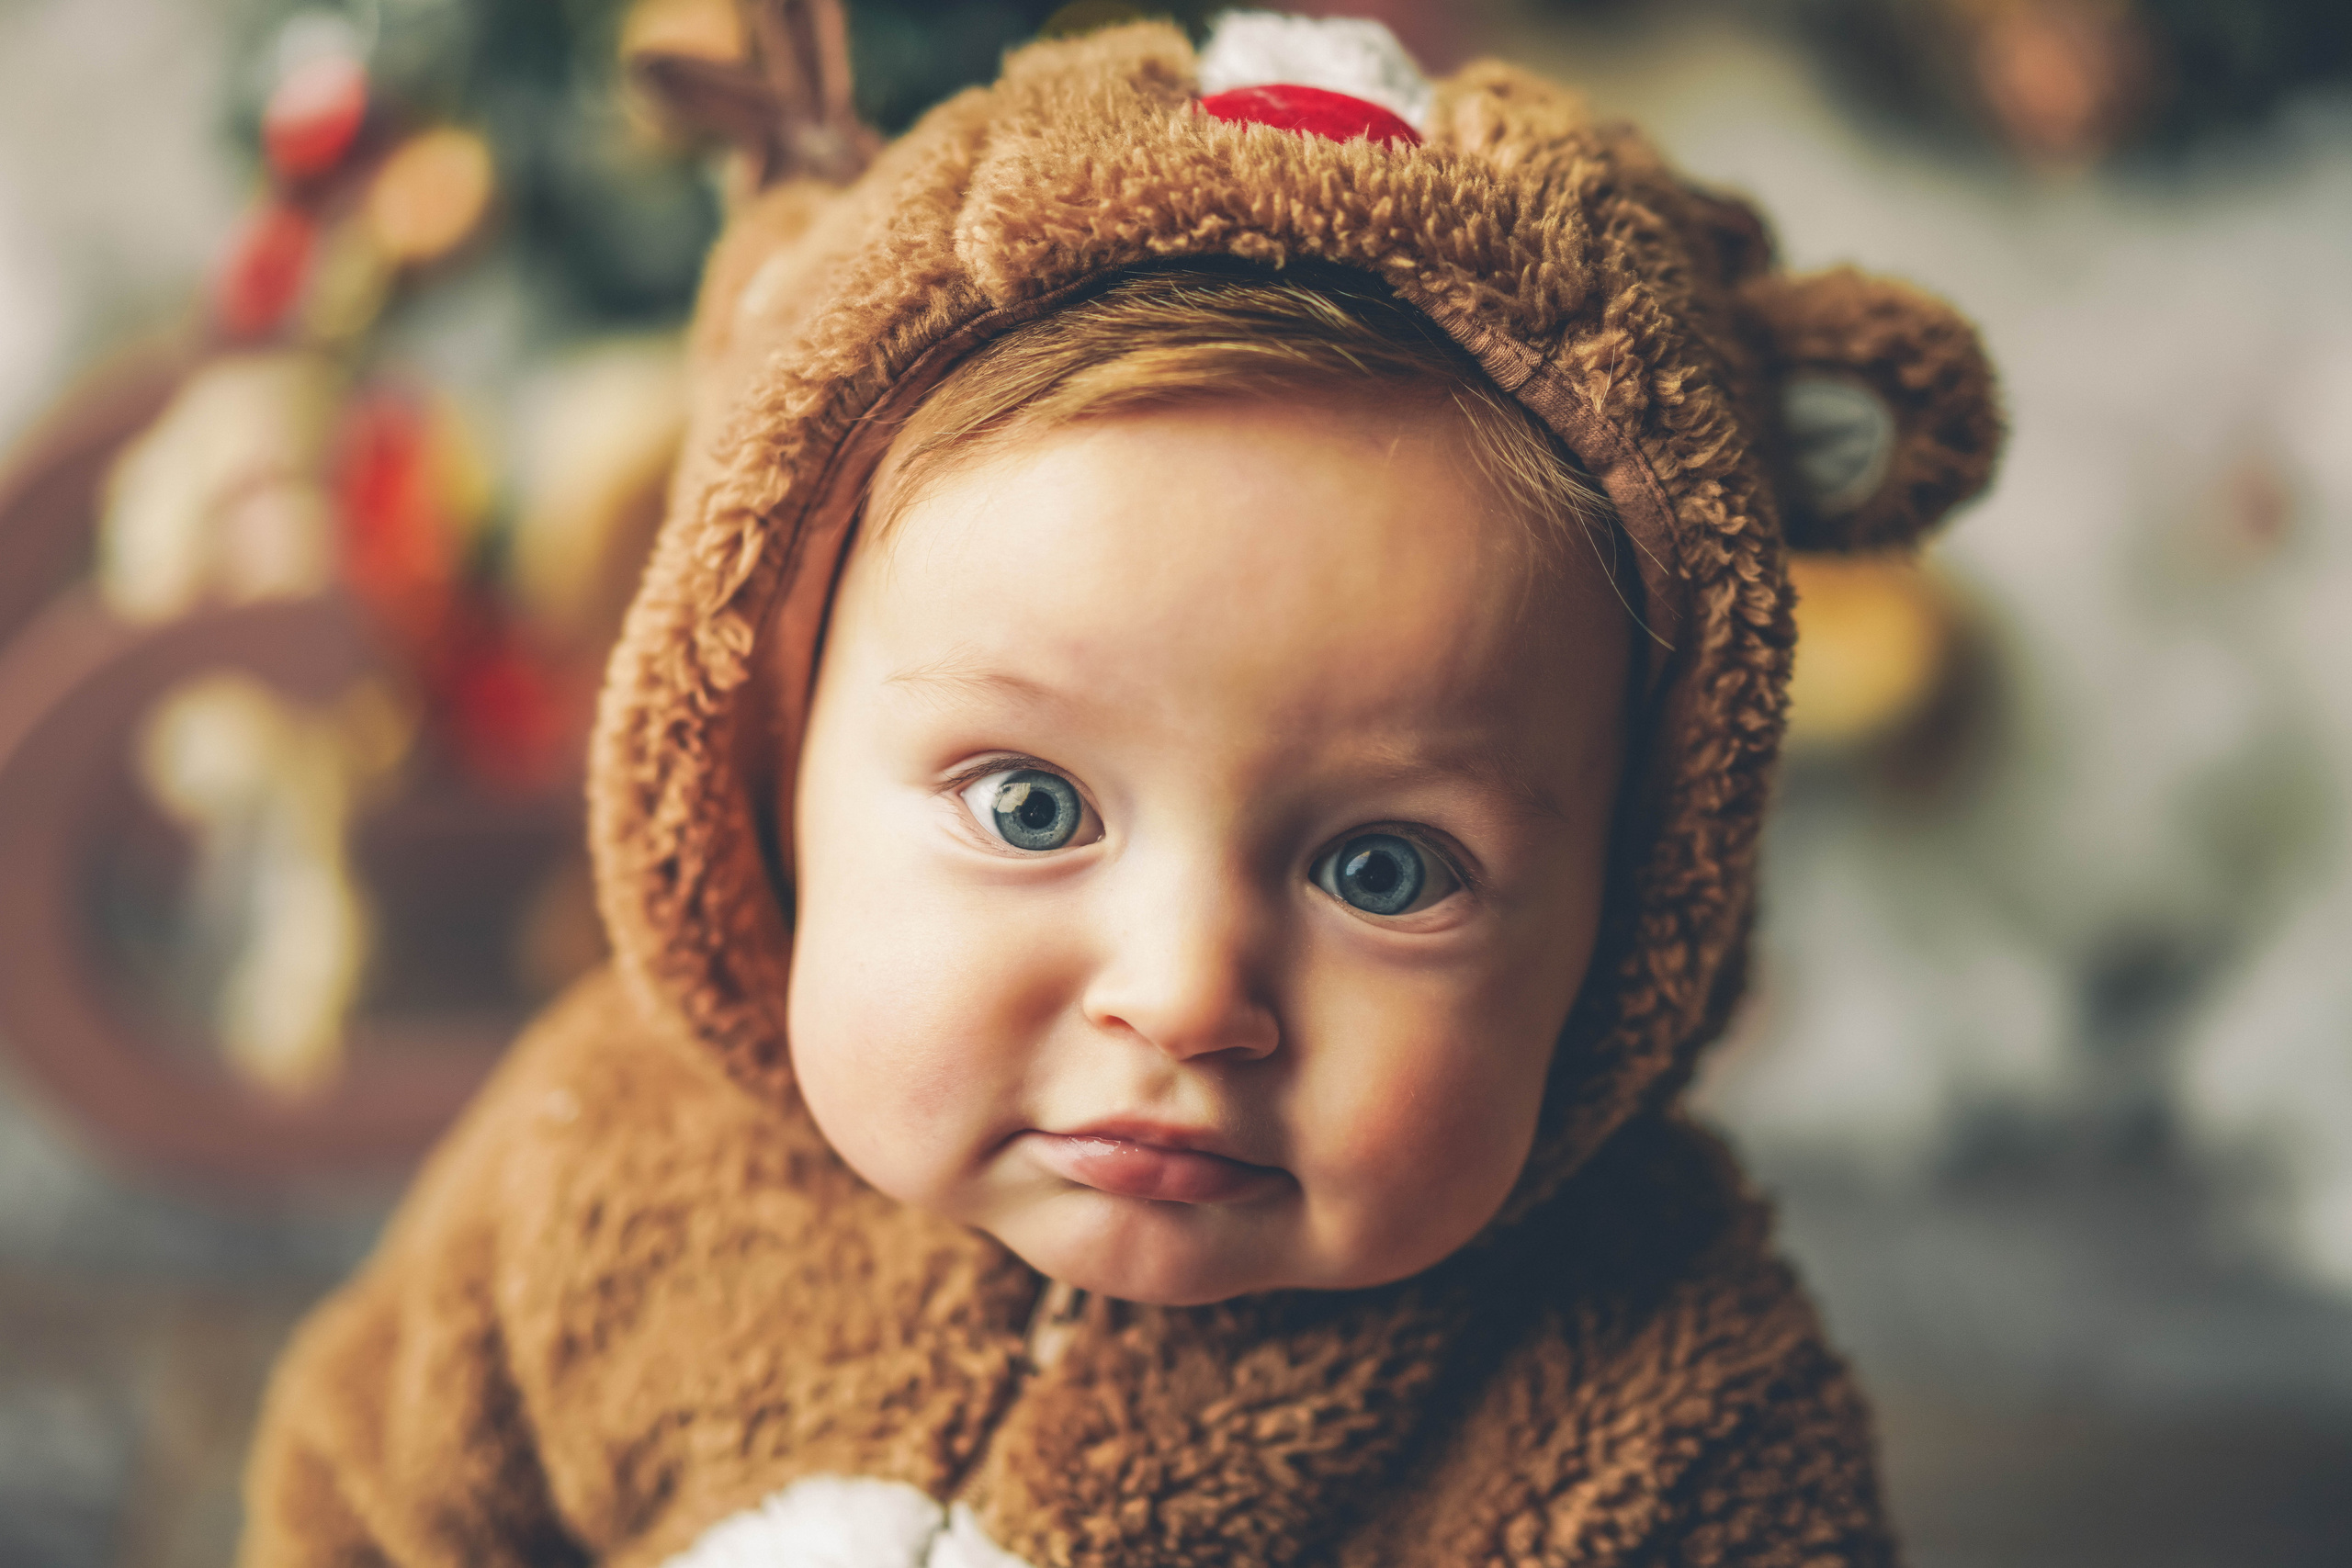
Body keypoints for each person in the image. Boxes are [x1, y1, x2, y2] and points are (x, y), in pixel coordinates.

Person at [238, 11, 2001, 1565]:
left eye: (1388, 871)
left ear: (1640, 901)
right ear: (764, 769)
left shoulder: (1648, 1408)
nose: (1180, 997)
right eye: (1028, 809)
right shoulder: (592, 1168)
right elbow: (369, 1508)